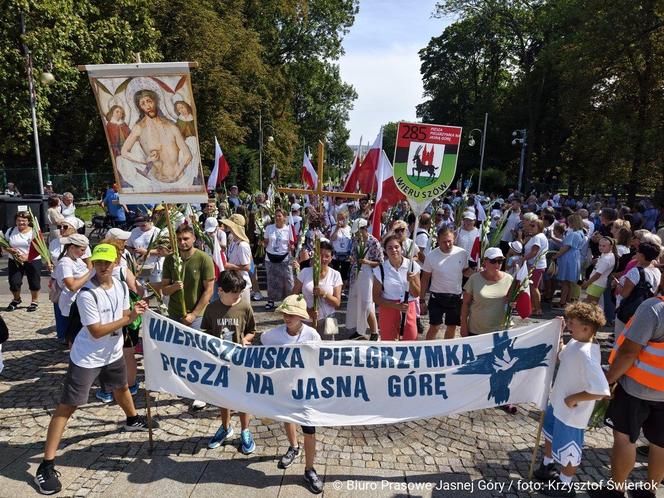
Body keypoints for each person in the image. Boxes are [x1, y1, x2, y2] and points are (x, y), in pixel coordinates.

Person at [33, 244, 154, 495]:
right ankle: (45, 466)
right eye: (98, 261)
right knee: (68, 405)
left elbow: (122, 314)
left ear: (116, 261)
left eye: (107, 261)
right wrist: (130, 318)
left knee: (121, 387)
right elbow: (97, 331)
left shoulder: (120, 286)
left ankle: (132, 419)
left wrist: (134, 314)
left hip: (112, 352)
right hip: (87, 358)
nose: (103, 266)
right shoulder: (87, 294)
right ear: (93, 263)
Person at [534, 303, 610, 496]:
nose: (568, 325)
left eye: (571, 323)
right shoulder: (577, 343)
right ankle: (548, 465)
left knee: (570, 448)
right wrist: (558, 332)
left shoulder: (587, 355)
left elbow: (602, 390)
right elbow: (561, 355)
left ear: (586, 328)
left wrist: (575, 398)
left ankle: (565, 484)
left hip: (572, 412)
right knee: (550, 431)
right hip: (558, 403)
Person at [594, 296, 664, 498]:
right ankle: (649, 491)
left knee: (624, 438)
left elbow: (628, 352)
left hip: (637, 388)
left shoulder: (654, 308)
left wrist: (609, 379)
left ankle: (616, 489)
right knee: (660, 443)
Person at [260, 294, 323, 494]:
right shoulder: (273, 335)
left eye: (292, 315)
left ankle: (309, 469)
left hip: (306, 390)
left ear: (301, 317)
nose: (287, 318)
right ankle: (293, 447)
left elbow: (323, 359)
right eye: (285, 314)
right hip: (285, 388)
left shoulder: (312, 335)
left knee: (310, 430)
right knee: (288, 418)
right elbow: (258, 341)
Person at [202, 271, 257, 453]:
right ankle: (225, 427)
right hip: (219, 362)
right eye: (235, 294)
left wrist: (246, 340)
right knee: (223, 397)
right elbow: (206, 333)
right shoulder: (211, 309)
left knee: (243, 398)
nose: (238, 296)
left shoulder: (244, 307)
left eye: (240, 293)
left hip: (240, 361)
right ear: (221, 291)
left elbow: (252, 331)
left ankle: (245, 430)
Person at [119, 89, 194, 187]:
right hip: (158, 182)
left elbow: (187, 154)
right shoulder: (139, 128)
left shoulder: (171, 126)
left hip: (181, 180)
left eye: (149, 101)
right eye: (143, 104)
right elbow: (124, 152)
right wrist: (145, 160)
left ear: (155, 101)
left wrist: (177, 173)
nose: (148, 106)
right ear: (140, 107)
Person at [161, 224, 215, 330]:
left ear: (194, 239)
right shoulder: (170, 259)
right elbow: (164, 290)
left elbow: (209, 290)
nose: (182, 242)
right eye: (179, 239)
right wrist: (174, 287)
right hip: (174, 313)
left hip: (197, 315)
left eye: (186, 239)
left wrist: (193, 315)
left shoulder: (204, 259)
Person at [421, 226, 470, 340]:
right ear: (438, 240)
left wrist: (478, 273)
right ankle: (428, 350)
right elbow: (425, 279)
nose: (447, 245)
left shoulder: (462, 253)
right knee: (434, 326)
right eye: (444, 242)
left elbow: (465, 271)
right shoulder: (431, 256)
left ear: (454, 239)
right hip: (436, 296)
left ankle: (447, 351)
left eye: (450, 241)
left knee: (452, 326)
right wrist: (422, 300)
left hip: (455, 296)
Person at [372, 233, 421, 341]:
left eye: (396, 247)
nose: (394, 250)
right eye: (390, 248)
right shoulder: (380, 269)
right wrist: (396, 306)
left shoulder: (412, 265)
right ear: (385, 250)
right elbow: (376, 297)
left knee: (411, 342)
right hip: (388, 309)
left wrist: (412, 281)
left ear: (402, 248)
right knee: (389, 344)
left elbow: (417, 293)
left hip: (408, 307)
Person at [292, 240, 342, 336]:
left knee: (327, 348)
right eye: (320, 255)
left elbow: (337, 303)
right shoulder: (305, 272)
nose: (323, 259)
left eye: (327, 256)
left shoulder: (335, 275)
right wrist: (308, 310)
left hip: (328, 320)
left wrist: (324, 294)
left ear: (331, 258)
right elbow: (294, 296)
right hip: (306, 319)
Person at [461, 247, 514, 336]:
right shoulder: (474, 279)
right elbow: (465, 304)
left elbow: (513, 301)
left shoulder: (510, 279)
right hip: (476, 331)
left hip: (501, 331)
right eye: (493, 261)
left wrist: (514, 303)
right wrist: (463, 326)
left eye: (500, 261)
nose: (497, 264)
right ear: (485, 261)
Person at [346, 218, 382, 340]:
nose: (356, 234)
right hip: (356, 272)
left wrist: (366, 262)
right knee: (356, 301)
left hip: (368, 274)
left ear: (364, 229)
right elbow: (353, 254)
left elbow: (379, 262)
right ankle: (359, 330)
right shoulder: (356, 240)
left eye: (358, 231)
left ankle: (374, 331)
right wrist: (352, 258)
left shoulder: (374, 242)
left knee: (366, 303)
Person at [52, 234, 92, 344]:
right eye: (82, 250)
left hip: (79, 300)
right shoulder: (66, 262)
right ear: (72, 247)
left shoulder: (77, 259)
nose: (84, 253)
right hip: (71, 302)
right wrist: (89, 274)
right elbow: (72, 286)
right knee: (74, 333)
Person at [614, 241, 662, 333]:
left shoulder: (635, 272)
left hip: (628, 312)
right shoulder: (657, 272)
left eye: (638, 251)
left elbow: (624, 294)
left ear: (642, 255)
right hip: (646, 312)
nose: (636, 253)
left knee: (620, 341)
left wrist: (618, 284)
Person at [5, 211, 43, 312]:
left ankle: (34, 301)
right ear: (15, 221)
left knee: (34, 282)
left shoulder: (34, 231)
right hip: (14, 260)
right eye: (18, 220)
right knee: (14, 282)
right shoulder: (10, 230)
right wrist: (9, 250)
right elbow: (4, 245)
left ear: (28, 221)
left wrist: (27, 256)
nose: (21, 223)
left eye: (24, 220)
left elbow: (40, 247)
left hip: (32, 260)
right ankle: (16, 299)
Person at [551, 214, 586, 309]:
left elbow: (566, 247)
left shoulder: (573, 234)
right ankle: (567, 301)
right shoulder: (580, 233)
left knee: (565, 282)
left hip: (568, 258)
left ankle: (562, 302)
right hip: (575, 257)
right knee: (569, 282)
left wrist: (556, 256)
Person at [263, 208, 294, 311]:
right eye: (276, 216)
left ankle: (288, 302)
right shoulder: (269, 228)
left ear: (285, 217)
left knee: (287, 280)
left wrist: (292, 247)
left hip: (284, 257)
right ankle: (271, 300)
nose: (277, 218)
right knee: (271, 280)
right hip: (270, 256)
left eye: (279, 216)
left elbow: (292, 244)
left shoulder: (289, 229)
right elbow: (266, 241)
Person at [221, 214, 253, 303]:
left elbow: (247, 267)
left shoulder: (242, 245)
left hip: (242, 286)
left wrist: (229, 266)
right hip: (234, 284)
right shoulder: (233, 242)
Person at [522, 218, 549, 316]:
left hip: (536, 266)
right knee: (532, 287)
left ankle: (538, 309)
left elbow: (534, 252)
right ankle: (534, 308)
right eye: (530, 225)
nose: (530, 227)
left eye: (533, 226)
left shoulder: (538, 237)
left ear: (539, 227)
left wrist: (522, 259)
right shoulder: (537, 236)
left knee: (534, 287)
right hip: (535, 265)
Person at [582, 236, 617, 304]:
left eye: (604, 246)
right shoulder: (607, 254)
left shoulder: (606, 259)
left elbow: (598, 275)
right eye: (600, 245)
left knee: (589, 303)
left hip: (597, 284)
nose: (600, 247)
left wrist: (587, 283)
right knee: (590, 303)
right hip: (596, 283)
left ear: (611, 246)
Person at [330, 211, 353, 287]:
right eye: (339, 218)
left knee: (344, 274)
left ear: (346, 218)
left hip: (346, 256)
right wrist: (337, 228)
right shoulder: (333, 227)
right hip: (336, 255)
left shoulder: (350, 228)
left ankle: (342, 290)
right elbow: (332, 239)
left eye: (342, 218)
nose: (340, 220)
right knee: (335, 273)